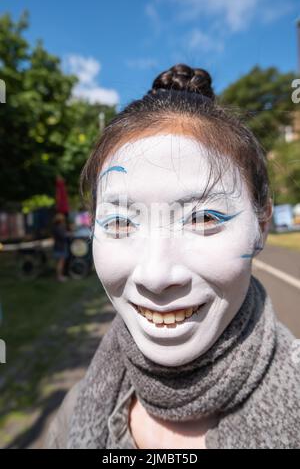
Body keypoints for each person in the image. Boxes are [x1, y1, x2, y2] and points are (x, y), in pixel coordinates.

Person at [44, 64, 300, 449]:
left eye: (203, 218)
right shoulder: (72, 414)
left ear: (262, 223)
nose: (156, 275)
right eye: (119, 222)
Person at [52, 213, 69, 282]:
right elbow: (63, 236)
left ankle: (57, 276)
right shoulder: (60, 227)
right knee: (61, 263)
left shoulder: (55, 227)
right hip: (61, 247)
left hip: (56, 246)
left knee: (58, 263)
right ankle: (59, 277)